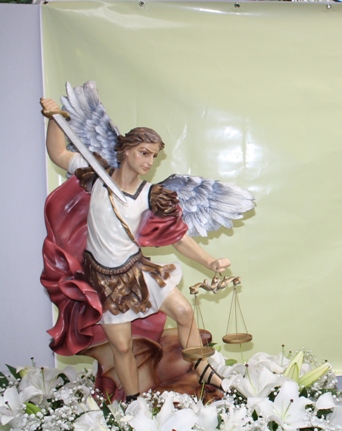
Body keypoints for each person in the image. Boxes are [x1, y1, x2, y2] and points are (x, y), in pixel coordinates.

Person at [40, 97, 230, 402]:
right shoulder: (96, 175)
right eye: (144, 152)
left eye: (154, 156)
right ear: (126, 150)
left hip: (138, 272)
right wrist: (54, 118)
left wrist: (210, 262)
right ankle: (134, 401)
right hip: (104, 280)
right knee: (122, 346)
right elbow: (59, 153)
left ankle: (205, 372)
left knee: (184, 312)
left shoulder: (150, 195)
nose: (149, 161)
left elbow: (178, 238)